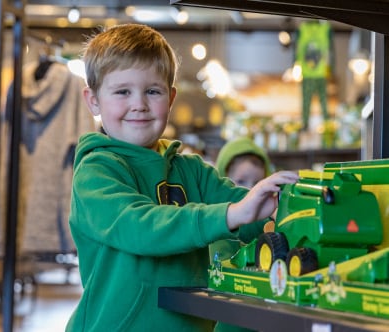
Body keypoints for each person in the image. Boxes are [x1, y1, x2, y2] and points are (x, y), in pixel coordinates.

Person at [66, 23, 298, 332]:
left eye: (153, 91)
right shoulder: (96, 172)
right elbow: (140, 226)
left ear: (171, 98)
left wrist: (282, 205)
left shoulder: (192, 171)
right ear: (93, 100)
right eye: (123, 91)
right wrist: (232, 214)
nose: (139, 104)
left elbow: (249, 213)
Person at [210, 137, 274, 332]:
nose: (249, 190)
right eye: (239, 182)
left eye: (258, 183)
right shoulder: (217, 227)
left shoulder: (270, 222)